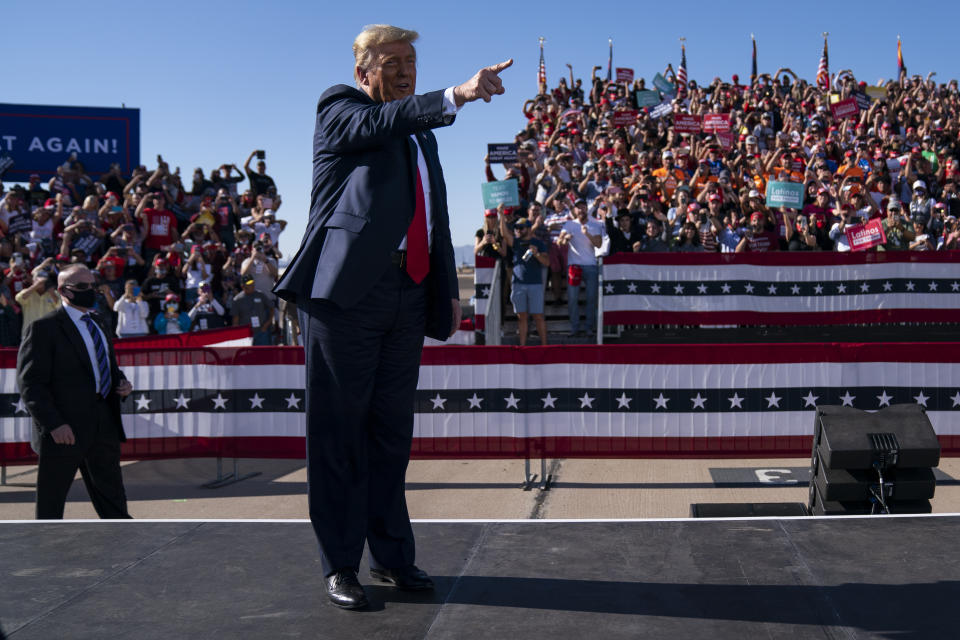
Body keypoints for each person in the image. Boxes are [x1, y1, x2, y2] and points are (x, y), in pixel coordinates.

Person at [272, 24, 511, 609]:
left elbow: (435, 207)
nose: (406, 70)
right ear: (363, 72)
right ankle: (340, 566)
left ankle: (393, 558)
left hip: (408, 295)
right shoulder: (342, 106)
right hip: (347, 297)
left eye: (411, 61)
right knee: (339, 435)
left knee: (390, 436)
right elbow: (376, 124)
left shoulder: (420, 132)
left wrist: (444, 288)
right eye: (393, 61)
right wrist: (456, 95)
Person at [16, 264, 134, 519]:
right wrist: (54, 424)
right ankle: (46, 552)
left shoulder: (99, 321)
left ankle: (124, 544)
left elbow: (107, 366)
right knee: (51, 503)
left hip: (104, 422)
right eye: (82, 287)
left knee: (113, 498)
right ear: (62, 291)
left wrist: (122, 384)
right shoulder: (43, 328)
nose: (90, 290)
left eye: (92, 285)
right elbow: (30, 383)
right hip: (63, 429)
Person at [557, 198, 603, 337]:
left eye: (583, 207)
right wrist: (565, 239)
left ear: (586, 209)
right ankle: (575, 328)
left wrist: (586, 233)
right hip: (574, 266)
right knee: (572, 299)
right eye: (578, 207)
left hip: (590, 265)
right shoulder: (569, 224)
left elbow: (599, 244)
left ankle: (589, 328)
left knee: (591, 299)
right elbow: (560, 241)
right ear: (575, 210)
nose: (581, 210)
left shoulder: (594, 225)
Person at [502, 217, 549, 345]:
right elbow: (504, 234)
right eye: (516, 228)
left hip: (535, 284)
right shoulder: (516, 242)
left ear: (528, 229)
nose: (518, 230)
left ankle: (545, 346)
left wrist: (536, 254)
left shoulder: (538, 243)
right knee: (521, 317)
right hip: (518, 285)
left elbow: (547, 262)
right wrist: (501, 215)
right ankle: (523, 346)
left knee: (538, 316)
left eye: (521, 228)